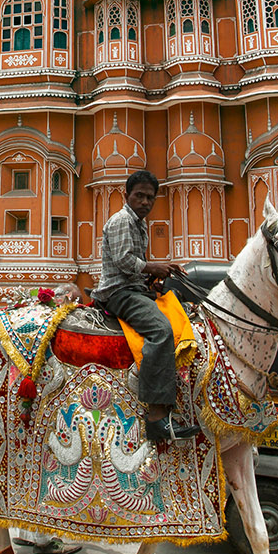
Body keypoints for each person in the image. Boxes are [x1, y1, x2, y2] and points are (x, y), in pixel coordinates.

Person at [94, 170, 196, 443]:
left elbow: (135, 267)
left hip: (134, 289)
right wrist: (155, 266)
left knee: (183, 317)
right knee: (161, 330)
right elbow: (125, 262)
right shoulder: (121, 221)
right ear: (126, 195)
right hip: (119, 293)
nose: (145, 202)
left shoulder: (138, 224)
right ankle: (156, 418)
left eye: (150, 198)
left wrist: (157, 273)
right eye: (139, 195)